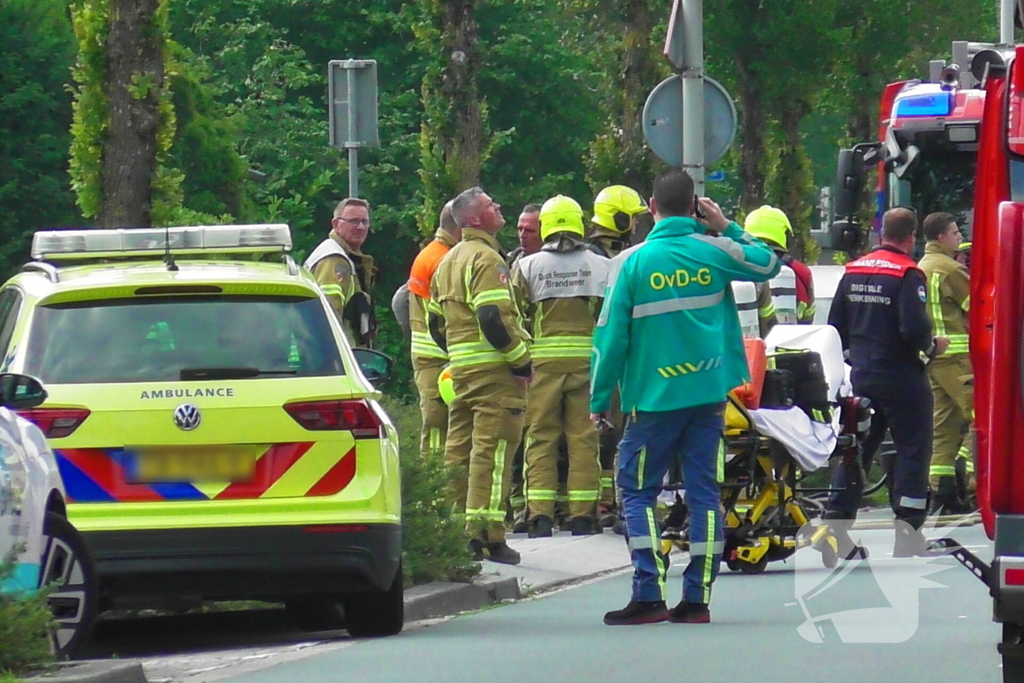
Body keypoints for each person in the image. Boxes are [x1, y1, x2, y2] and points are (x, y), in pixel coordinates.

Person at [591, 169, 780, 626]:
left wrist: (599, 399)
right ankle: (697, 598)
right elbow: (768, 263)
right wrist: (727, 225)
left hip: (654, 399)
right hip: (709, 396)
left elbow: (610, 339)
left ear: (651, 208)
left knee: (637, 492)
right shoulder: (714, 250)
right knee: (704, 495)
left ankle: (648, 592)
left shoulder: (632, 263)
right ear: (696, 207)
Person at [826, 207, 950, 557]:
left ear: (881, 234)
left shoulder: (853, 270)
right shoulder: (907, 273)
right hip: (901, 375)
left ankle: (835, 525)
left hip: (862, 375)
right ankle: (908, 534)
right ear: (912, 237)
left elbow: (836, 325)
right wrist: (932, 347)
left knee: (857, 449)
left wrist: (855, 358)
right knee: (913, 448)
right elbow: (913, 328)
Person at [428, 187, 531, 565]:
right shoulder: (487, 259)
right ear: (473, 218)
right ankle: (488, 535)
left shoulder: (448, 260)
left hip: (462, 372)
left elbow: (435, 323)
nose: (498, 206)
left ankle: (455, 533)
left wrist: (459, 355)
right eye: (490, 204)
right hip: (495, 374)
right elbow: (492, 316)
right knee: (495, 452)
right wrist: (520, 362)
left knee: (458, 453)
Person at [512, 195, 610, 537]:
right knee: (583, 439)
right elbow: (610, 319)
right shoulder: (602, 266)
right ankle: (582, 516)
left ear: (546, 226)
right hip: (588, 363)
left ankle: (539, 516)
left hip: (542, 366)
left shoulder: (527, 266)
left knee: (540, 438)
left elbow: (516, 315)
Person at [588, 185, 653, 528]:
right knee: (608, 434)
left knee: (615, 432)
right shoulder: (601, 260)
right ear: (620, 219)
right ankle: (607, 503)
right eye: (633, 218)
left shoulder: (614, 256)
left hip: (611, 357)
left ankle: (613, 501)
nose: (636, 224)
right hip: (605, 356)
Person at [918, 212, 974, 515]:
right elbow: (978, 306)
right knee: (982, 418)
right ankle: (975, 483)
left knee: (944, 427)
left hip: (933, 359)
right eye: (954, 232)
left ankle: (942, 493)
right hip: (958, 360)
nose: (959, 237)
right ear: (941, 237)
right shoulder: (951, 269)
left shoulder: (921, 267)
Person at [407, 201, 460, 461]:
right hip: (439, 356)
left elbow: (400, 301)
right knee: (439, 424)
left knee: (437, 423)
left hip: (430, 354)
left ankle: (435, 476)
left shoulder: (432, 253)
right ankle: (437, 478)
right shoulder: (444, 259)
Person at [504, 204, 543, 530]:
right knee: (519, 440)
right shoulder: (509, 264)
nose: (522, 234)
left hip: (542, 364)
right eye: (519, 228)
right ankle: (519, 508)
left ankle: (547, 506)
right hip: (519, 365)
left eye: (529, 229)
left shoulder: (545, 266)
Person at [305, 198, 377, 347]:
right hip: (331, 351)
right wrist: (335, 354)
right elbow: (329, 314)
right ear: (336, 224)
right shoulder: (334, 259)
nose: (360, 227)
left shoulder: (344, 257)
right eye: (354, 221)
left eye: (364, 222)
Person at [744, 205, 814, 331]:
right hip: (792, 339)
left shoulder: (738, 269)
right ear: (785, 234)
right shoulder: (802, 272)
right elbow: (808, 319)